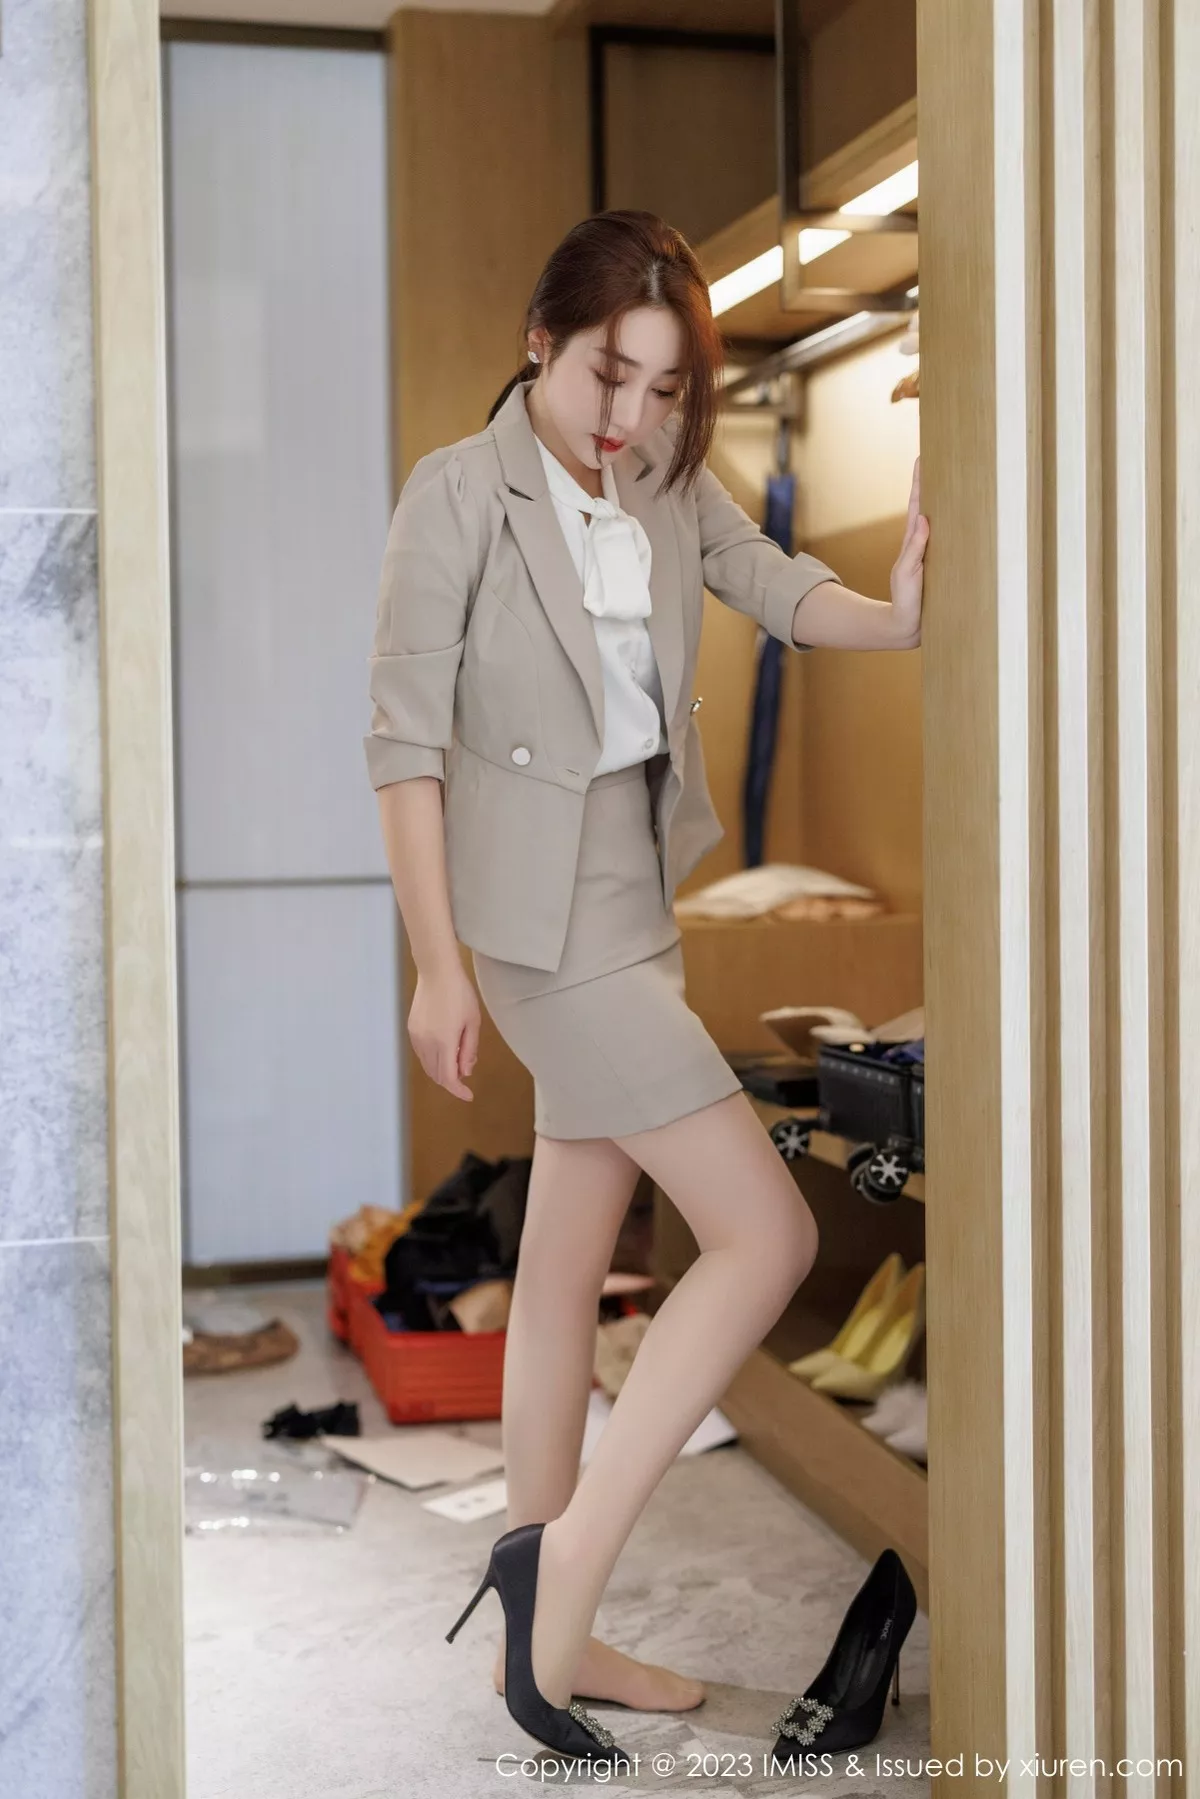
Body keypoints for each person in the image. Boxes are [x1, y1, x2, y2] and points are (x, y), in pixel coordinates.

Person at [366, 209, 928, 1763]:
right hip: (537, 929)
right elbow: (402, 747)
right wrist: (437, 963)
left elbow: (774, 582)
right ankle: (556, 1575)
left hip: (636, 900)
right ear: (542, 340)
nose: (631, 414)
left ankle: (547, 1639)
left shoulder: (669, 478)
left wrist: (899, 612)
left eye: (666, 386)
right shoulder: (457, 495)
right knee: (770, 1232)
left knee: (560, 1266)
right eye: (610, 374)